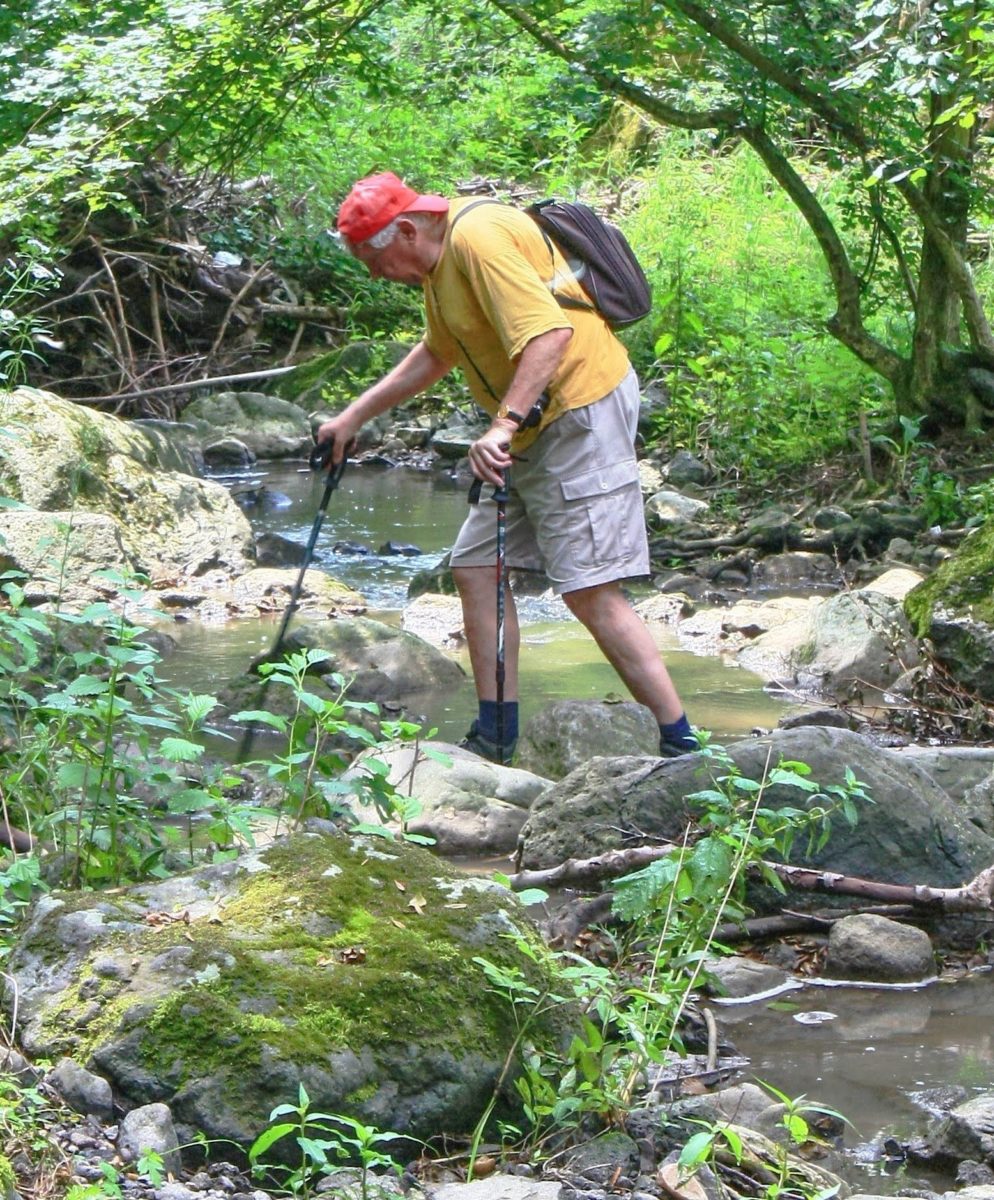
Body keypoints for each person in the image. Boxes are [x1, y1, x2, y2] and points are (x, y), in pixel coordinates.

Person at [316, 171, 697, 764]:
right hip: (529, 423)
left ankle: (681, 744)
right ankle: (496, 736)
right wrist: (353, 417)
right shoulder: (439, 264)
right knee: (475, 568)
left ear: (408, 230)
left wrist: (501, 425)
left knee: (589, 588)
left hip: (580, 409)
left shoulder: (479, 237)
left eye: (375, 260)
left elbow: (549, 334)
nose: (375, 275)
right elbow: (438, 351)